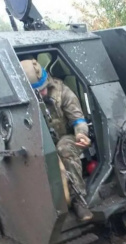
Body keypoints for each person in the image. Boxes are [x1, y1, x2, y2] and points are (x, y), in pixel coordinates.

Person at [21, 58, 93, 221]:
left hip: (64, 138)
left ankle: (78, 200)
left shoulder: (61, 91)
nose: (44, 92)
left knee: (64, 149)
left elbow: (77, 118)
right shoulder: (20, 103)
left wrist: (81, 133)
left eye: (44, 87)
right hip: (36, 143)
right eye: (38, 91)